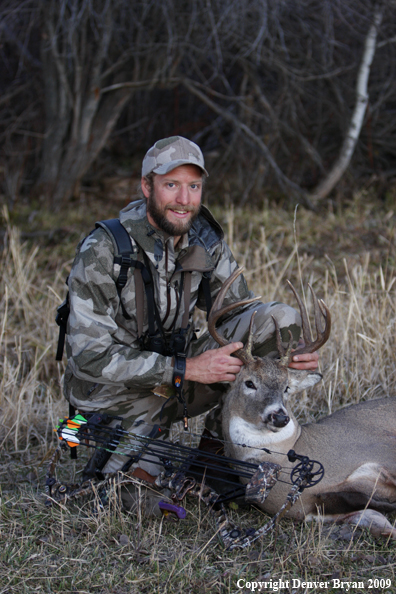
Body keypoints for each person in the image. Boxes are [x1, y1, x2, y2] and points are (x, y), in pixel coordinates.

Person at [63, 136, 318, 494]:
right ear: (146, 186)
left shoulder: (203, 239)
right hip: (113, 392)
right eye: (171, 185)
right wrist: (187, 369)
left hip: (177, 378)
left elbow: (242, 313)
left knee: (278, 321)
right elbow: (88, 357)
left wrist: (290, 355)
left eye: (194, 186)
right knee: (136, 497)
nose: (184, 200)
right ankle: (125, 464)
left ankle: (218, 457)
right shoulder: (104, 251)